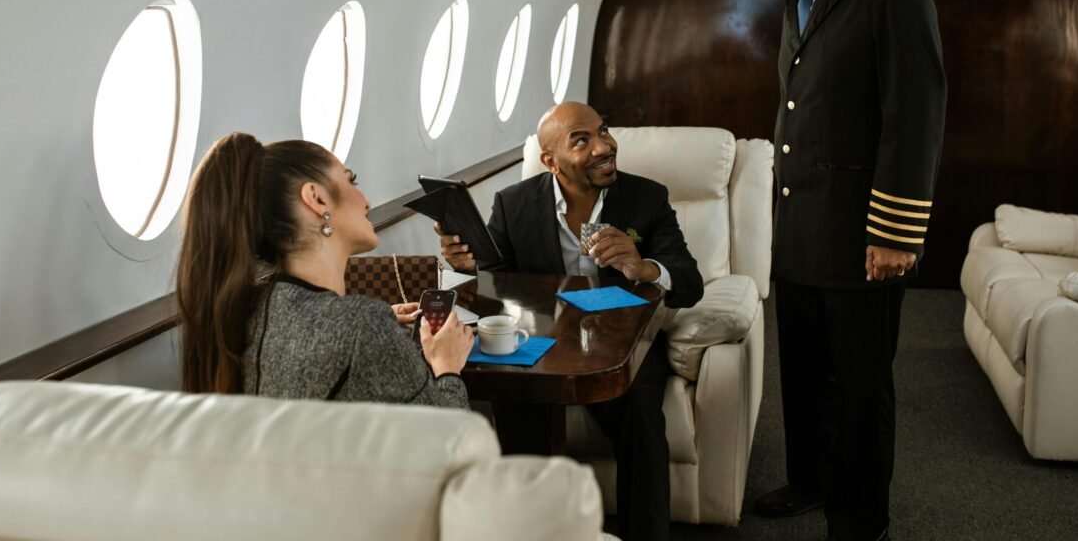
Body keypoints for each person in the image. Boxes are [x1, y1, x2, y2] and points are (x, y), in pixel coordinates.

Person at [732, 0, 947, 541]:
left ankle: (859, 521)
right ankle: (810, 480)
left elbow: (913, 116)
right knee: (804, 369)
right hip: (801, 225)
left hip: (862, 233)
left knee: (859, 387)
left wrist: (895, 233)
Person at [436, 101, 703, 541]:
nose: (604, 146)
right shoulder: (513, 203)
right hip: (541, 345)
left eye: (603, 131)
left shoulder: (646, 198)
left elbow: (691, 282)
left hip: (624, 345)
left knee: (641, 417)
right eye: (582, 140)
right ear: (550, 162)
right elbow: (493, 285)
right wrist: (466, 267)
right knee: (516, 406)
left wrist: (644, 267)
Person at [175, 132, 474, 407]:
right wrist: (447, 365)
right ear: (317, 199)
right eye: (351, 180)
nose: (366, 202)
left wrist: (380, 324)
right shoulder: (361, 327)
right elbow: (448, 448)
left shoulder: (247, 308)